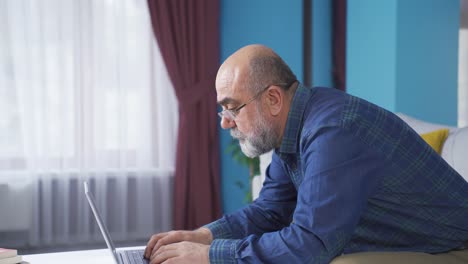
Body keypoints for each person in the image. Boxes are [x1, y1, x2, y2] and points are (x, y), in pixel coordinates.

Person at [143, 44, 468, 264]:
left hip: (452, 249)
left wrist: (210, 255)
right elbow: (270, 212)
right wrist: (202, 235)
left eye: (232, 108)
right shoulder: (294, 130)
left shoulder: (333, 132)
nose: (226, 122)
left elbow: (308, 245)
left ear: (272, 99)